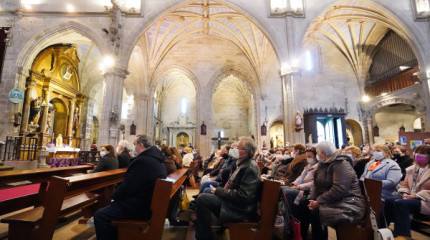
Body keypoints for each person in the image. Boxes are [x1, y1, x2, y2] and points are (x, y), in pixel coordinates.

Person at [94, 135, 167, 240]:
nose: (133, 148)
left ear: (141, 145)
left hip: (138, 207)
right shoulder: (157, 159)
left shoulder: (143, 161)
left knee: (100, 216)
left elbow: (128, 188)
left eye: (135, 145)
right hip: (147, 203)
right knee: (109, 210)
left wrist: (113, 195)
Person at [195, 137, 261, 240]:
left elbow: (244, 196)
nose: (233, 150)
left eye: (237, 148)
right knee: (204, 196)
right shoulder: (243, 164)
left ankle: (204, 237)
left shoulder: (250, 168)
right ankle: (203, 231)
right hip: (233, 203)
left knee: (203, 199)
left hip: (240, 210)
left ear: (245, 152)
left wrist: (218, 191)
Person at [308, 141, 365, 240]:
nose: (316, 155)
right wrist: (312, 199)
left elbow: (339, 189)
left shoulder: (341, 164)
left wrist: (319, 201)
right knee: (303, 205)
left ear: (323, 153)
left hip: (349, 202)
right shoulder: (323, 164)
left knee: (316, 211)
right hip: (334, 200)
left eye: (317, 153)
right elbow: (316, 184)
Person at [384, 145, 430, 240]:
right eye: (417, 152)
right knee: (389, 200)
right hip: (411, 197)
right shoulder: (412, 169)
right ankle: (383, 229)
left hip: (426, 200)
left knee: (400, 203)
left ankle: (403, 235)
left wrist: (417, 195)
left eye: (422, 153)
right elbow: (404, 185)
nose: (418, 155)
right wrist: (404, 193)